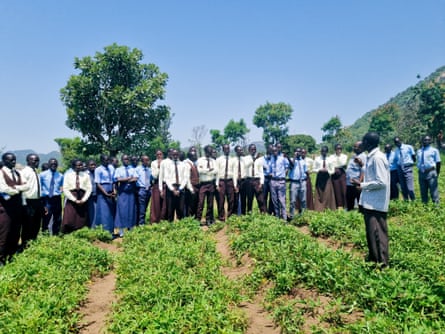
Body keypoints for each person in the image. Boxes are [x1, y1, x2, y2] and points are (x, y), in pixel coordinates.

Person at [353, 132, 390, 267]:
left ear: (368, 143)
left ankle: (382, 265)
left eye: (363, 141)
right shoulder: (371, 157)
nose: (361, 144)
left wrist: (361, 185)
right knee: (371, 234)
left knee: (377, 234)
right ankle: (374, 260)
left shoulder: (378, 158)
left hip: (376, 204)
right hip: (371, 202)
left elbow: (381, 182)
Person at [0, 153, 28, 265]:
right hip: (5, 208)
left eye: (14, 160)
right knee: (4, 233)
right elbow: (3, 188)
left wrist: (15, 188)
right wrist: (18, 189)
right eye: (11, 160)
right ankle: (1, 258)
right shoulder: (1, 173)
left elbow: (27, 186)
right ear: (4, 161)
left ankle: (11, 254)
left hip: (17, 207)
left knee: (15, 232)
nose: (14, 162)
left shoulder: (18, 173)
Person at [61, 159, 92, 234]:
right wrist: (74, 199)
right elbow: (65, 188)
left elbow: (89, 188)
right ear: (73, 166)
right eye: (78, 165)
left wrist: (84, 199)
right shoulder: (68, 175)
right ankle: (68, 234)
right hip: (72, 197)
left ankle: (80, 233)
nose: (80, 167)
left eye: (81, 165)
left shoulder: (86, 175)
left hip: (82, 197)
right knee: (69, 218)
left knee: (81, 218)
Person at [20, 153, 43, 250]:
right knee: (27, 224)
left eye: (37, 160)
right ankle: (25, 245)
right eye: (34, 160)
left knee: (36, 223)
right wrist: (24, 204)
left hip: (37, 201)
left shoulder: (35, 172)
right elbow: (22, 189)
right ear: (28, 161)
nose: (36, 162)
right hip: (28, 202)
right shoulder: (24, 172)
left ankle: (33, 242)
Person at [114, 154, 138, 236]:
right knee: (121, 211)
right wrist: (128, 179)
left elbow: (135, 178)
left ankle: (131, 228)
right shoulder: (118, 169)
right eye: (124, 159)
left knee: (131, 210)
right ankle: (121, 231)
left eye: (127, 159)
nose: (126, 161)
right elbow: (118, 179)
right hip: (122, 192)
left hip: (131, 192)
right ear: (122, 160)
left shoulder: (132, 169)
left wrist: (125, 179)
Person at [93, 154, 116, 235]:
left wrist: (114, 190)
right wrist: (106, 193)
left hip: (110, 189)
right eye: (105, 160)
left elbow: (113, 180)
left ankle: (111, 231)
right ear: (101, 161)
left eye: (108, 160)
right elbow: (98, 183)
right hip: (103, 190)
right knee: (104, 212)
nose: (107, 162)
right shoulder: (98, 170)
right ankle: (104, 232)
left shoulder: (111, 168)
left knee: (111, 211)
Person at [40, 158, 64, 235]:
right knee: (46, 217)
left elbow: (61, 186)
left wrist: (60, 191)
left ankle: (55, 234)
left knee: (58, 218)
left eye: (55, 163)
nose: (53, 165)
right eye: (52, 163)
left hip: (57, 199)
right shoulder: (42, 175)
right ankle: (44, 235)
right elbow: (40, 188)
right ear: (49, 164)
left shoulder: (60, 175)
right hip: (47, 199)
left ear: (57, 165)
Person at [162, 149, 187, 221]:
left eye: (176, 154)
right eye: (174, 154)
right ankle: (171, 226)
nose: (175, 156)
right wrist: (173, 189)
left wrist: (179, 189)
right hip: (171, 188)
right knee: (170, 209)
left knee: (181, 208)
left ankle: (181, 226)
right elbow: (166, 178)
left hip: (180, 188)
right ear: (171, 155)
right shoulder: (168, 165)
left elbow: (185, 178)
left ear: (178, 155)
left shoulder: (183, 165)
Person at [196, 145, 217, 226]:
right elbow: (199, 170)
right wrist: (208, 170)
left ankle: (208, 219)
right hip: (203, 184)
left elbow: (216, 171)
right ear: (205, 151)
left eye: (211, 151)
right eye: (208, 151)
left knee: (210, 203)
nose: (210, 153)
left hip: (211, 183)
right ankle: (198, 220)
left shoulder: (213, 161)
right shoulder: (200, 160)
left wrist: (205, 171)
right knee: (201, 203)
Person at [417, 135, 441, 204]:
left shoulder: (434, 150)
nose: (426, 141)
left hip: (431, 172)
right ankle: (424, 206)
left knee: (433, 191)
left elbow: (438, 162)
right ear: (422, 141)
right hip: (421, 173)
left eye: (428, 140)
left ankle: (436, 207)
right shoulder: (419, 151)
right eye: (425, 140)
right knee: (423, 191)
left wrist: (437, 173)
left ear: (430, 141)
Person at [215, 144, 236, 221]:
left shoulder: (232, 160)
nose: (227, 150)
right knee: (221, 199)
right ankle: (221, 216)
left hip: (230, 181)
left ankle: (230, 215)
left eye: (228, 149)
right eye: (225, 149)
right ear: (223, 150)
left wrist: (235, 184)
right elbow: (217, 172)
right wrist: (217, 184)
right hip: (222, 181)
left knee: (231, 199)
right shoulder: (219, 160)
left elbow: (234, 173)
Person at [268, 145, 289, 220]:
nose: (274, 152)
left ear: (278, 150)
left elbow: (287, 167)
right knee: (275, 201)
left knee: (282, 201)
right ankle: (277, 217)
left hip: (281, 182)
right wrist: (270, 173)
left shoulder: (283, 158)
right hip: (273, 181)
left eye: (275, 151)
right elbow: (269, 170)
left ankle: (284, 218)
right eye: (273, 151)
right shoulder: (271, 159)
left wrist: (284, 175)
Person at [313, 146, 336, 211]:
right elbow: (314, 168)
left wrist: (327, 171)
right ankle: (319, 208)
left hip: (327, 177)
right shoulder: (317, 159)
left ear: (327, 152)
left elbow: (333, 170)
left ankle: (328, 207)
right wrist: (319, 170)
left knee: (327, 192)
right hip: (320, 176)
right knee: (319, 192)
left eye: (325, 151)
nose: (323, 152)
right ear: (321, 151)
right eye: (322, 151)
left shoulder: (330, 159)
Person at [345, 141, 366, 211]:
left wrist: (360, 182)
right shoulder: (354, 156)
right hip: (349, 183)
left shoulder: (363, 156)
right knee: (349, 201)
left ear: (361, 148)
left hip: (356, 183)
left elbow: (363, 170)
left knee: (360, 202)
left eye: (355, 147)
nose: (353, 148)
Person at [393, 136, 416, 201]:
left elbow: (414, 157)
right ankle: (406, 201)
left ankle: (413, 201)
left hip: (407, 167)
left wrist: (410, 164)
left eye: (398, 141)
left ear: (401, 141)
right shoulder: (396, 150)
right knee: (403, 187)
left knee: (410, 188)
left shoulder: (409, 147)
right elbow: (396, 160)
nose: (397, 143)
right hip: (400, 168)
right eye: (395, 142)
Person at [288, 147, 308, 219]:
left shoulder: (303, 161)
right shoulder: (291, 160)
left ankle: (303, 216)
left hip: (302, 182)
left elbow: (306, 171)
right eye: (297, 151)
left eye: (299, 152)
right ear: (294, 152)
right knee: (292, 201)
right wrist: (294, 157)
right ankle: (292, 216)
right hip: (294, 183)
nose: (298, 153)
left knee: (303, 200)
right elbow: (291, 166)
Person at [246, 144, 266, 213]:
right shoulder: (246, 158)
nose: (253, 151)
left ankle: (263, 214)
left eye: (254, 149)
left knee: (260, 199)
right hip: (249, 180)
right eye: (252, 149)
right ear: (249, 150)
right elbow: (246, 165)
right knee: (249, 199)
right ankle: (249, 214)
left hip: (257, 180)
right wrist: (254, 159)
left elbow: (261, 171)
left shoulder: (260, 159)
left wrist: (261, 182)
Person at [330, 143, 348, 209]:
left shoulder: (344, 156)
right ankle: (338, 205)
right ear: (335, 149)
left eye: (340, 149)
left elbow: (343, 163)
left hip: (342, 173)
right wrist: (336, 165)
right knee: (336, 189)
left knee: (344, 189)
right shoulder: (331, 156)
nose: (339, 150)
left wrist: (335, 164)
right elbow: (331, 164)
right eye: (337, 149)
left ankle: (345, 205)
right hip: (334, 174)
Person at [135, 155, 151, 225]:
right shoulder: (137, 169)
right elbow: (135, 179)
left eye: (148, 160)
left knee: (145, 208)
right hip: (141, 189)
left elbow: (151, 180)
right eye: (146, 160)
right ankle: (141, 224)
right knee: (141, 208)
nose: (147, 162)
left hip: (148, 190)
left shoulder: (149, 169)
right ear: (142, 161)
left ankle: (142, 222)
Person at [184, 148, 199, 218]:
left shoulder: (194, 164)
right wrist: (191, 189)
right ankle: (189, 219)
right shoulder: (187, 164)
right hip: (191, 187)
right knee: (190, 205)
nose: (196, 157)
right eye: (194, 156)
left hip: (196, 186)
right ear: (190, 157)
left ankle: (194, 218)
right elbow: (187, 178)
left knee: (195, 204)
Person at [150, 149, 164, 223]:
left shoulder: (166, 162)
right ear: (156, 155)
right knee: (156, 203)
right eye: (158, 154)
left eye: (160, 154)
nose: (159, 156)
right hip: (156, 184)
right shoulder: (153, 163)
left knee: (164, 204)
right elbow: (154, 176)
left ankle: (163, 220)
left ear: (163, 155)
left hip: (165, 184)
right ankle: (155, 221)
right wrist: (159, 167)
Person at [262, 144, 274, 214]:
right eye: (270, 149)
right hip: (265, 178)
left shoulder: (273, 158)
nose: (271, 150)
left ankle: (270, 211)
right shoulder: (262, 158)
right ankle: (264, 211)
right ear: (267, 149)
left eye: (272, 149)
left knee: (272, 196)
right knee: (264, 195)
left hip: (272, 179)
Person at [86, 159, 97, 227]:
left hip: (97, 195)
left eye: (94, 165)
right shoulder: (85, 174)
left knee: (95, 212)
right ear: (87, 166)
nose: (93, 166)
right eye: (91, 165)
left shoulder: (97, 173)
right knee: (90, 212)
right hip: (88, 196)